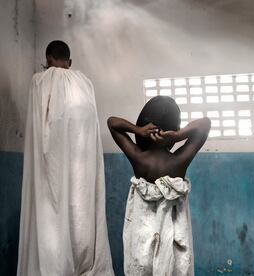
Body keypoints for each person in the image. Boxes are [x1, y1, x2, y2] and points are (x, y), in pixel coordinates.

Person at [17, 40, 114, 276]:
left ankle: (54, 265)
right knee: (80, 212)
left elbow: (38, 134)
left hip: (54, 165)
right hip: (82, 166)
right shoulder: (85, 84)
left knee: (51, 207)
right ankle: (85, 263)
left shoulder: (40, 81)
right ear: (69, 62)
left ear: (48, 60)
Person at [107, 96, 210, 275]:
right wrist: (179, 135)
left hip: (142, 235)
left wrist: (137, 130)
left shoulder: (139, 158)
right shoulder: (178, 162)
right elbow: (205, 124)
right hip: (172, 239)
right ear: (174, 128)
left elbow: (112, 123)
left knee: (142, 266)